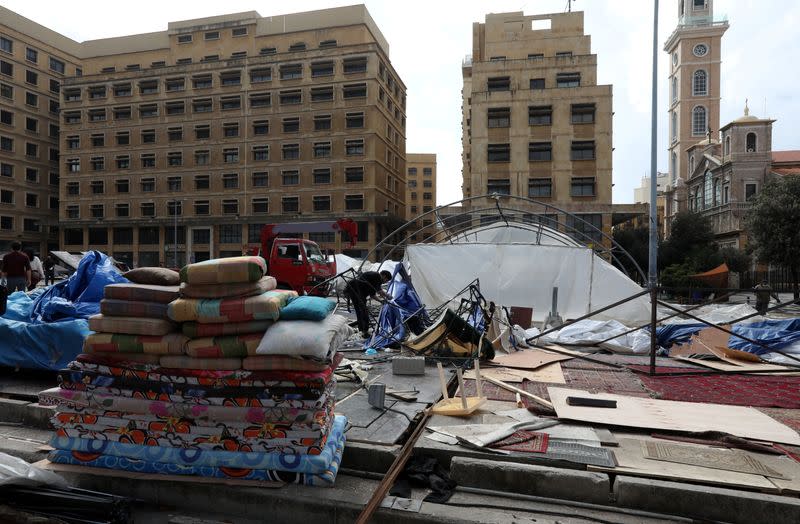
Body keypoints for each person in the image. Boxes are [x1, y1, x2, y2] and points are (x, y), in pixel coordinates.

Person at [344, 270, 392, 339]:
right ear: (384, 276)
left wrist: (381, 300)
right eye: (386, 280)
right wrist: (387, 296)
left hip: (355, 291)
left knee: (360, 311)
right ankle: (364, 331)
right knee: (363, 311)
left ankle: (362, 330)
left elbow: (373, 294)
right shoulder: (377, 276)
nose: (385, 282)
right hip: (356, 291)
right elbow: (379, 291)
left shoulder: (374, 278)